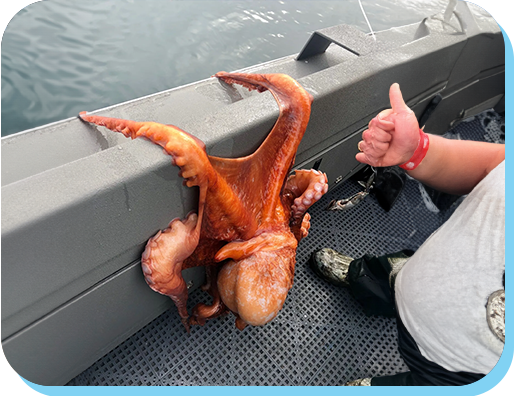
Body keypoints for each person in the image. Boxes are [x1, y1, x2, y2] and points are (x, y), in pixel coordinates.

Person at [310, 83, 505, 386]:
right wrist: (416, 151)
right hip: (421, 272)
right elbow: (491, 167)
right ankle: (362, 277)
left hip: (458, 374)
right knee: (384, 275)